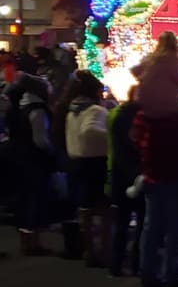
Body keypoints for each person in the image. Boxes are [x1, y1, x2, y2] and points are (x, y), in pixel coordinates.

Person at [132, 91, 178, 287]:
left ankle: (147, 273)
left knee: (151, 226)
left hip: (152, 174)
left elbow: (136, 139)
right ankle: (171, 275)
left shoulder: (146, 110)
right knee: (176, 228)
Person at [64, 71, 110, 267]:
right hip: (95, 163)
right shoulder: (95, 111)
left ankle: (88, 249)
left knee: (85, 210)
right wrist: (111, 138)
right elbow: (89, 131)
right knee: (104, 210)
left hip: (76, 162)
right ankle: (104, 250)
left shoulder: (73, 110)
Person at [9, 74, 56, 256]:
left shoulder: (21, 107)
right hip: (35, 160)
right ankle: (33, 242)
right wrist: (53, 152)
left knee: (26, 199)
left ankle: (26, 240)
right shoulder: (38, 110)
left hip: (21, 157)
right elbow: (41, 140)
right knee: (36, 199)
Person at [107, 86, 145, 277]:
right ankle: (137, 264)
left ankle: (116, 264)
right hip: (137, 176)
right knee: (140, 223)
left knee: (121, 223)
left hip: (120, 176)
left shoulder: (118, 115)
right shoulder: (140, 117)